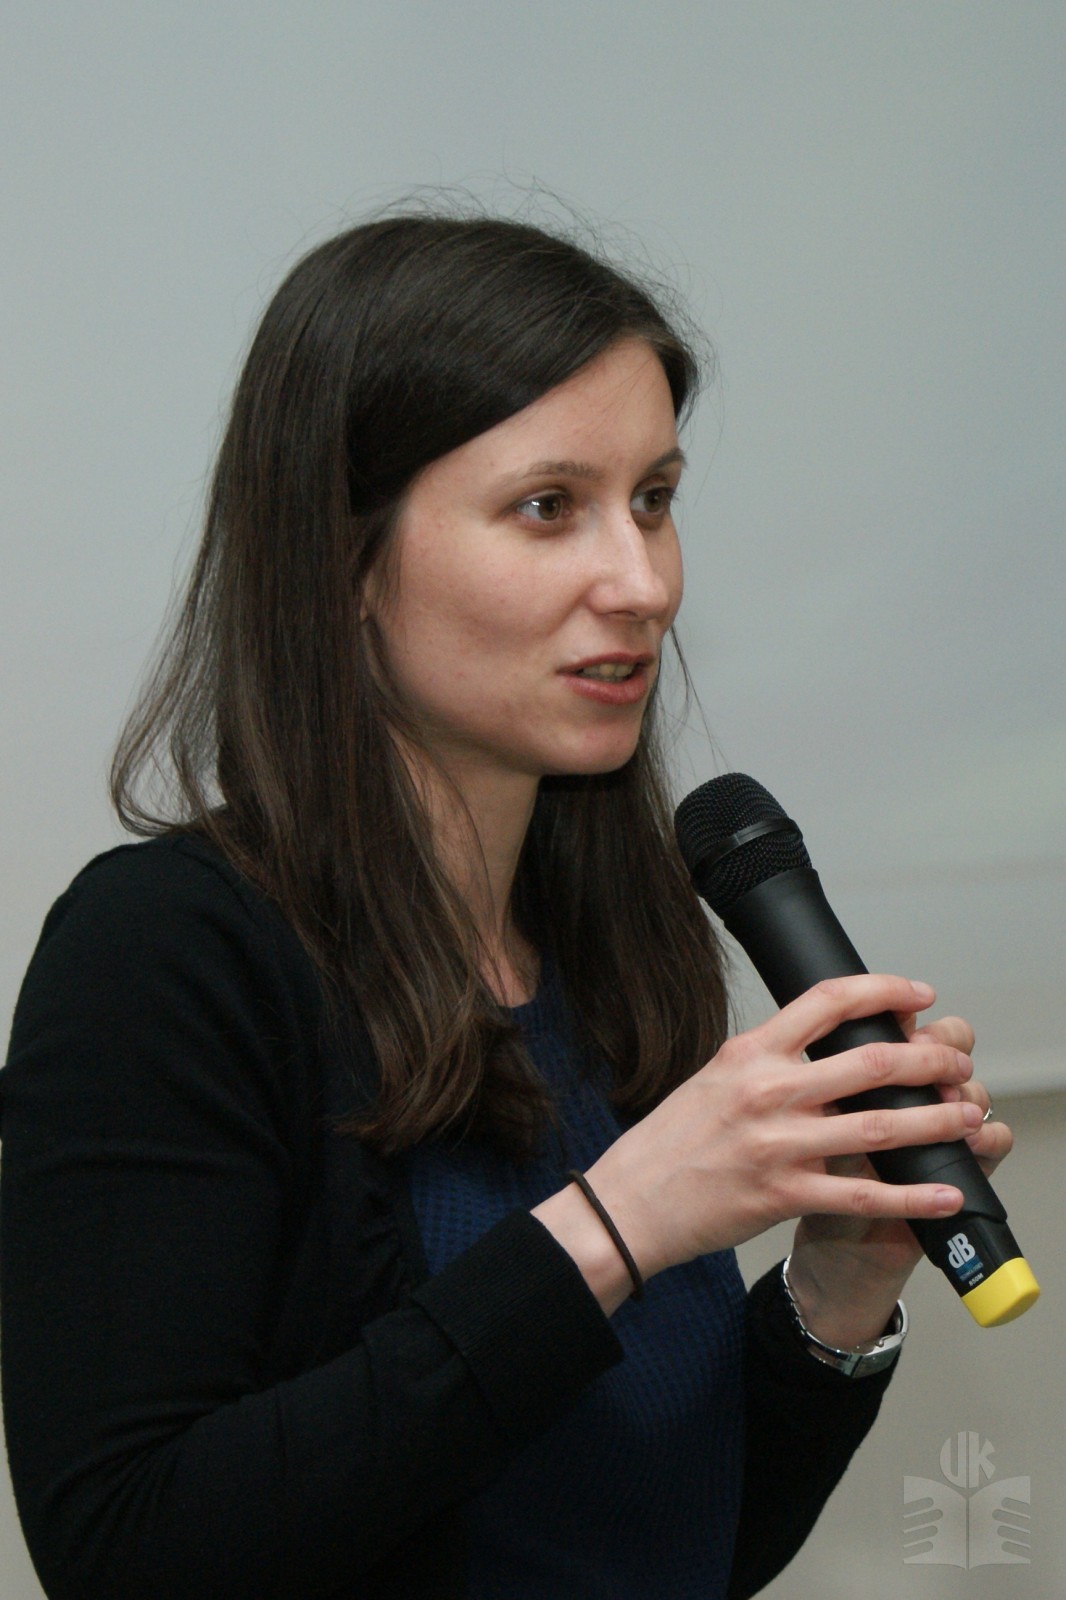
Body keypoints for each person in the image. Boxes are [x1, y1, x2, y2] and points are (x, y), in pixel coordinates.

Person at [0, 211, 1010, 1600]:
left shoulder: (613, 950)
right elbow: (130, 1549)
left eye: (653, 498)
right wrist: (617, 1226)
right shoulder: (163, 953)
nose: (641, 583)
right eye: (549, 507)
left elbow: (670, 1546)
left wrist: (837, 1292)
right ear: (345, 556)